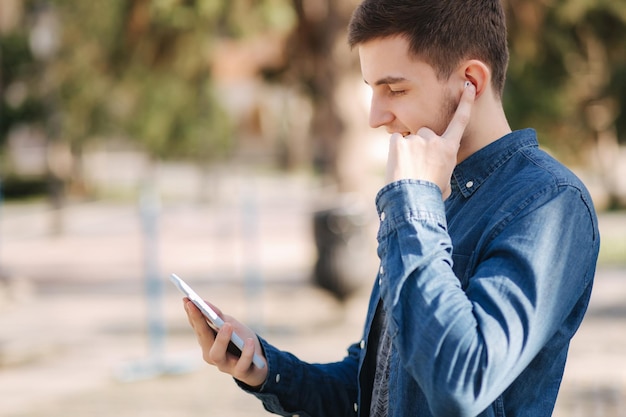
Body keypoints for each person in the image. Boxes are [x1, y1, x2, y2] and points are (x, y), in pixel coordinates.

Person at [183, 0, 600, 416]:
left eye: (395, 89)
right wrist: (265, 368)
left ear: (470, 82)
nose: (375, 116)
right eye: (371, 90)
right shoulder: (429, 198)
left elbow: (461, 382)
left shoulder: (549, 202)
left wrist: (413, 203)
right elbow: (373, 385)